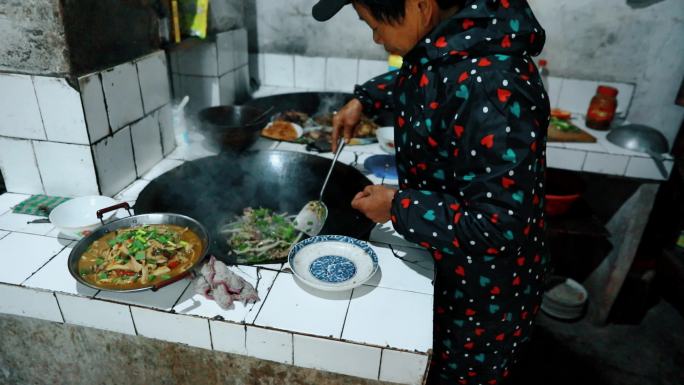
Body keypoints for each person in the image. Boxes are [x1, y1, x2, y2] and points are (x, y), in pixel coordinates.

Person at [313, 0, 550, 383]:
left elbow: (499, 225)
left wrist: (397, 206)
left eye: (374, 24)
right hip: (447, 264)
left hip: (481, 298)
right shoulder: (455, 48)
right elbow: (429, 79)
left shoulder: (495, 88)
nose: (376, 37)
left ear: (419, 6)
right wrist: (365, 98)